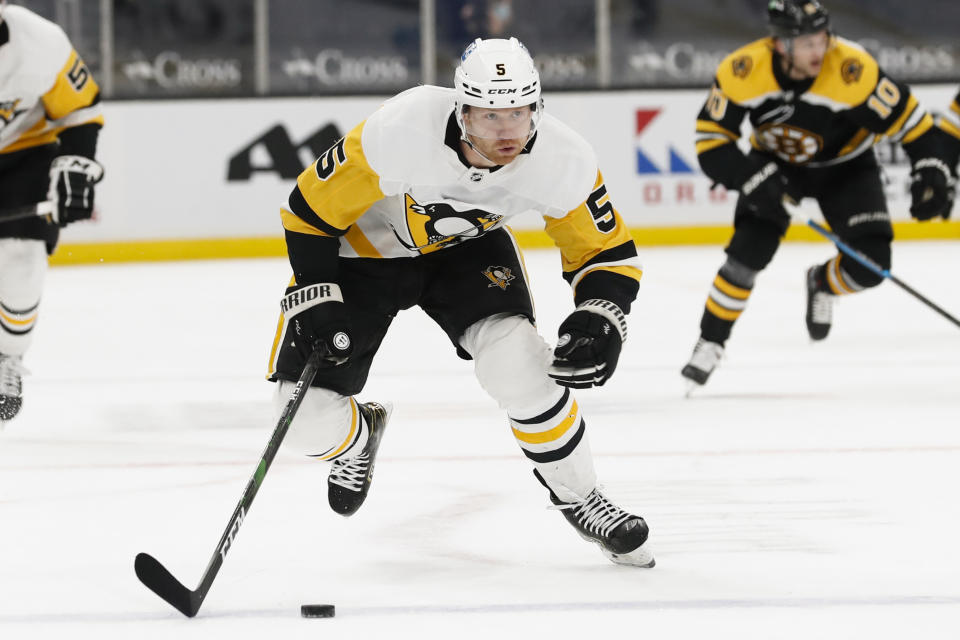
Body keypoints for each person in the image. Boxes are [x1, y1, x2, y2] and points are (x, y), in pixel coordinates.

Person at [266, 37, 653, 567]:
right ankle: (358, 439)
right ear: (462, 110)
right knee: (301, 416)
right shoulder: (401, 126)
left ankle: (580, 495)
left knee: (518, 365)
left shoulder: (564, 158)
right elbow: (307, 210)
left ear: (538, 109)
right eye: (491, 115)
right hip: (362, 251)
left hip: (465, 253)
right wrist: (317, 296)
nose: (508, 131)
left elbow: (606, 252)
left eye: (520, 112)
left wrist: (601, 315)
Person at [681, 0, 953, 387]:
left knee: (870, 265)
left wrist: (932, 170)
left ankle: (822, 282)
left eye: (822, 39)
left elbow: (914, 125)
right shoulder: (743, 71)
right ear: (780, 45)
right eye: (806, 43)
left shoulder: (851, 70)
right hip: (776, 166)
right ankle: (709, 342)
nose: (819, 51)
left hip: (846, 167)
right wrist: (751, 177)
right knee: (746, 255)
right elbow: (711, 141)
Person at [0, 2, 104, 422]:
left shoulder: (39, 42)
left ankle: (7, 357)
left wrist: (75, 166)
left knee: (22, 261)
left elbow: (82, 111)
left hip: (24, 152)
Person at [933, 88, 959, 218]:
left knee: (948, 173)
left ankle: (945, 207)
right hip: (950, 130)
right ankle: (944, 208)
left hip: (950, 130)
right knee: (946, 173)